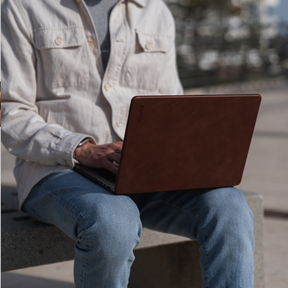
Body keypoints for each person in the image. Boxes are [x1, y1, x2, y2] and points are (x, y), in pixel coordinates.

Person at [1, 0, 255, 287]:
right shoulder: (22, 6)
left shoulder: (155, 10)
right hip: (56, 169)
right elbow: (11, 111)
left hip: (146, 173)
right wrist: (80, 148)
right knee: (114, 222)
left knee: (230, 208)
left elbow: (173, 106)